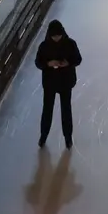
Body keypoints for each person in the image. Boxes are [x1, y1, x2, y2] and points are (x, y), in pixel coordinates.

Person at [34, 20, 82, 148]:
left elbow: (78, 59)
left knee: (66, 110)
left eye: (58, 35)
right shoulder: (44, 46)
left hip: (66, 82)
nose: (56, 38)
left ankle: (68, 137)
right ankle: (43, 135)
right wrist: (48, 64)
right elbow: (38, 62)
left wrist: (68, 63)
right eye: (54, 36)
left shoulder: (70, 44)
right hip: (50, 83)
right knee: (47, 110)